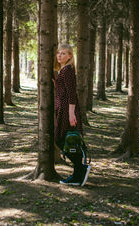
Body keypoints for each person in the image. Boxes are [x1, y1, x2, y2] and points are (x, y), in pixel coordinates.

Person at [53, 43, 91, 186]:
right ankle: (78, 173)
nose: (60, 55)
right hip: (63, 110)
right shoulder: (63, 70)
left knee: (63, 140)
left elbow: (71, 93)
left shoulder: (68, 70)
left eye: (63, 53)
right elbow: (64, 87)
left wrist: (71, 114)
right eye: (58, 53)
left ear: (70, 56)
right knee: (66, 140)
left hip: (67, 111)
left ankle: (80, 169)